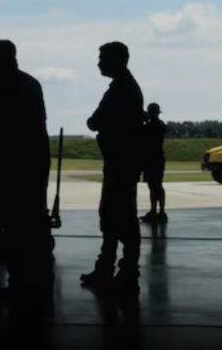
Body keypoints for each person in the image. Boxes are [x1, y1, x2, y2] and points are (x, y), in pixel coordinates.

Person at [80, 41, 145, 297]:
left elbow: (94, 121)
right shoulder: (125, 88)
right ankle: (111, 268)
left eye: (102, 58)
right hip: (120, 163)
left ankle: (123, 269)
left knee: (119, 217)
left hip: (120, 163)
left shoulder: (120, 90)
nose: (98, 63)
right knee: (114, 216)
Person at [0, 40, 51, 299]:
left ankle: (18, 282)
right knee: (32, 222)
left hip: (9, 165)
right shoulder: (30, 83)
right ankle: (36, 278)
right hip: (34, 161)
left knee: (11, 226)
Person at [139, 102, 167, 223]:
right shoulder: (160, 125)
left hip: (151, 159)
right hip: (158, 159)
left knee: (153, 186)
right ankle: (160, 211)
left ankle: (154, 211)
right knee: (157, 185)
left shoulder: (150, 126)